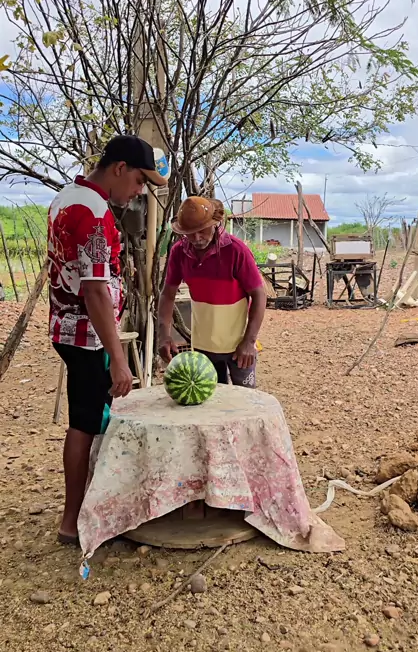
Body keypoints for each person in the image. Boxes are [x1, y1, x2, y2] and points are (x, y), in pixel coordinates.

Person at [48, 135, 168, 545]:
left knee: (91, 419)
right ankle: (72, 522)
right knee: (84, 423)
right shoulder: (95, 213)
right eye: (138, 181)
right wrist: (118, 358)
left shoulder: (66, 197)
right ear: (119, 168)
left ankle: (91, 505)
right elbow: (96, 290)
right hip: (87, 336)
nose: (138, 191)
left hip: (67, 327)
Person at [158, 196, 266, 387]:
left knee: (245, 397)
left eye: (202, 230)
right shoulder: (179, 252)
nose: (196, 238)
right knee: (210, 399)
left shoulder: (236, 250)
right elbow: (167, 294)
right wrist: (164, 336)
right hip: (203, 347)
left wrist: (249, 341)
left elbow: (259, 295)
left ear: (215, 223)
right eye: (189, 233)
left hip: (238, 346)